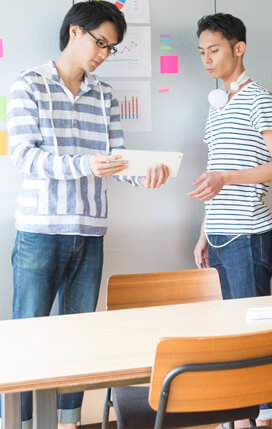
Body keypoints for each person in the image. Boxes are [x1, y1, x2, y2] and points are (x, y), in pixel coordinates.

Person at [5, 2, 168, 427]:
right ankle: (22, 422)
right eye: (101, 42)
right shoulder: (29, 84)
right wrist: (84, 164)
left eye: (110, 48)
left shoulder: (105, 95)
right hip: (40, 231)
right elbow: (22, 157)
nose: (103, 53)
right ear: (75, 31)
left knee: (79, 338)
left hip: (90, 230)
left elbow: (116, 159)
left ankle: (69, 421)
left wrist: (144, 174)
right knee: (29, 337)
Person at [189, 13, 272, 428]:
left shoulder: (260, 98)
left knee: (252, 332)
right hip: (219, 232)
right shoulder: (217, 106)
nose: (207, 59)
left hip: (249, 233)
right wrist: (203, 232)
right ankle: (235, 415)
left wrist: (227, 179)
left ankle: (262, 419)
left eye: (213, 50)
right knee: (227, 333)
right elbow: (214, 171)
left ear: (238, 48)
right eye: (201, 52)